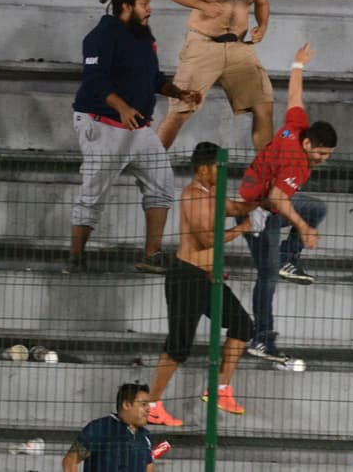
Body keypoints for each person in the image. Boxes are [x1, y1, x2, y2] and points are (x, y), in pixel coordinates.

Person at [68, 0, 202, 274]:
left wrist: (178, 92)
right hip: (102, 124)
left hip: (138, 128)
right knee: (94, 193)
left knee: (162, 184)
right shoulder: (100, 36)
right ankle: (75, 258)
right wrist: (122, 106)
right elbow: (94, 80)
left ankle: (151, 255)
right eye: (144, 3)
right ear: (126, 6)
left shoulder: (143, 37)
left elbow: (154, 78)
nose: (149, 9)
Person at [231, 43, 335, 364]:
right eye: (319, 153)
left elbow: (294, 98)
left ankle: (288, 258)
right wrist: (303, 229)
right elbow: (278, 198)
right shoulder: (296, 162)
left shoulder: (296, 126)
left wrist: (298, 65)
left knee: (316, 207)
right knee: (267, 277)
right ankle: (262, 339)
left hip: (268, 200)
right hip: (256, 210)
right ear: (307, 144)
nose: (322, 160)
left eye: (327, 155)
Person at [145, 143, 254, 427]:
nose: (223, 172)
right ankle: (151, 404)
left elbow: (237, 207)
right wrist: (242, 228)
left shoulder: (213, 193)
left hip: (208, 279)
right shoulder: (193, 196)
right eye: (219, 167)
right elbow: (208, 239)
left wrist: (264, 201)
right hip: (187, 277)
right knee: (179, 346)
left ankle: (219, 390)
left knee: (243, 325)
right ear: (204, 168)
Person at [156, 0, 273, 152]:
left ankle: (266, 174)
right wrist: (202, 5)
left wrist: (262, 26)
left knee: (264, 106)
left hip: (239, 46)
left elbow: (262, 2)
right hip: (204, 43)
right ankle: (150, 166)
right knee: (181, 110)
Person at [62, 383, 155, 472]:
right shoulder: (100, 428)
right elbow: (70, 461)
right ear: (126, 405)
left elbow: (149, 468)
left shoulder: (145, 436)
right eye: (143, 404)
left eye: (148, 404)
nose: (148, 409)